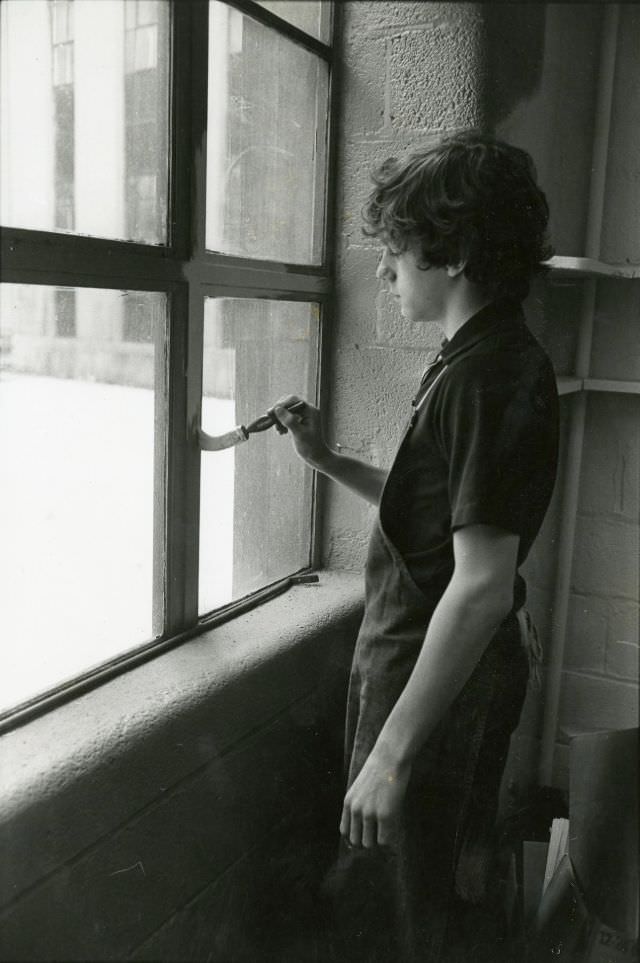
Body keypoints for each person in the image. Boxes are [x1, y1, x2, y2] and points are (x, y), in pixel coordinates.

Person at [273, 132, 559, 962]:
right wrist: (328, 461)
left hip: (434, 698)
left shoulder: (488, 375)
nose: (383, 267)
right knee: (407, 904)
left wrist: (392, 755)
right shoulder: (479, 358)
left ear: (458, 252)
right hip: (437, 681)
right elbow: (442, 518)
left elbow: (477, 584)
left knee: (398, 920)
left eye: (396, 246)